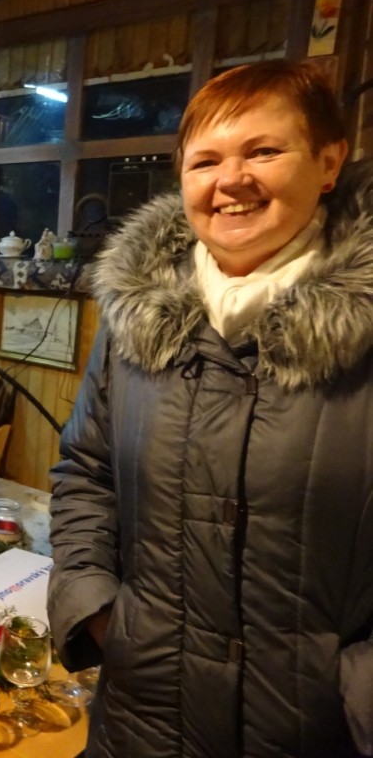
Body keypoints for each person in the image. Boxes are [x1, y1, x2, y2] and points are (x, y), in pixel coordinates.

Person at [47, 59, 373, 757]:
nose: (232, 180)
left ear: (328, 161)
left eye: (264, 151)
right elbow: (86, 470)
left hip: (316, 732)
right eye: (205, 161)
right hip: (140, 718)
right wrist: (96, 607)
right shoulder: (137, 315)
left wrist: (355, 688)